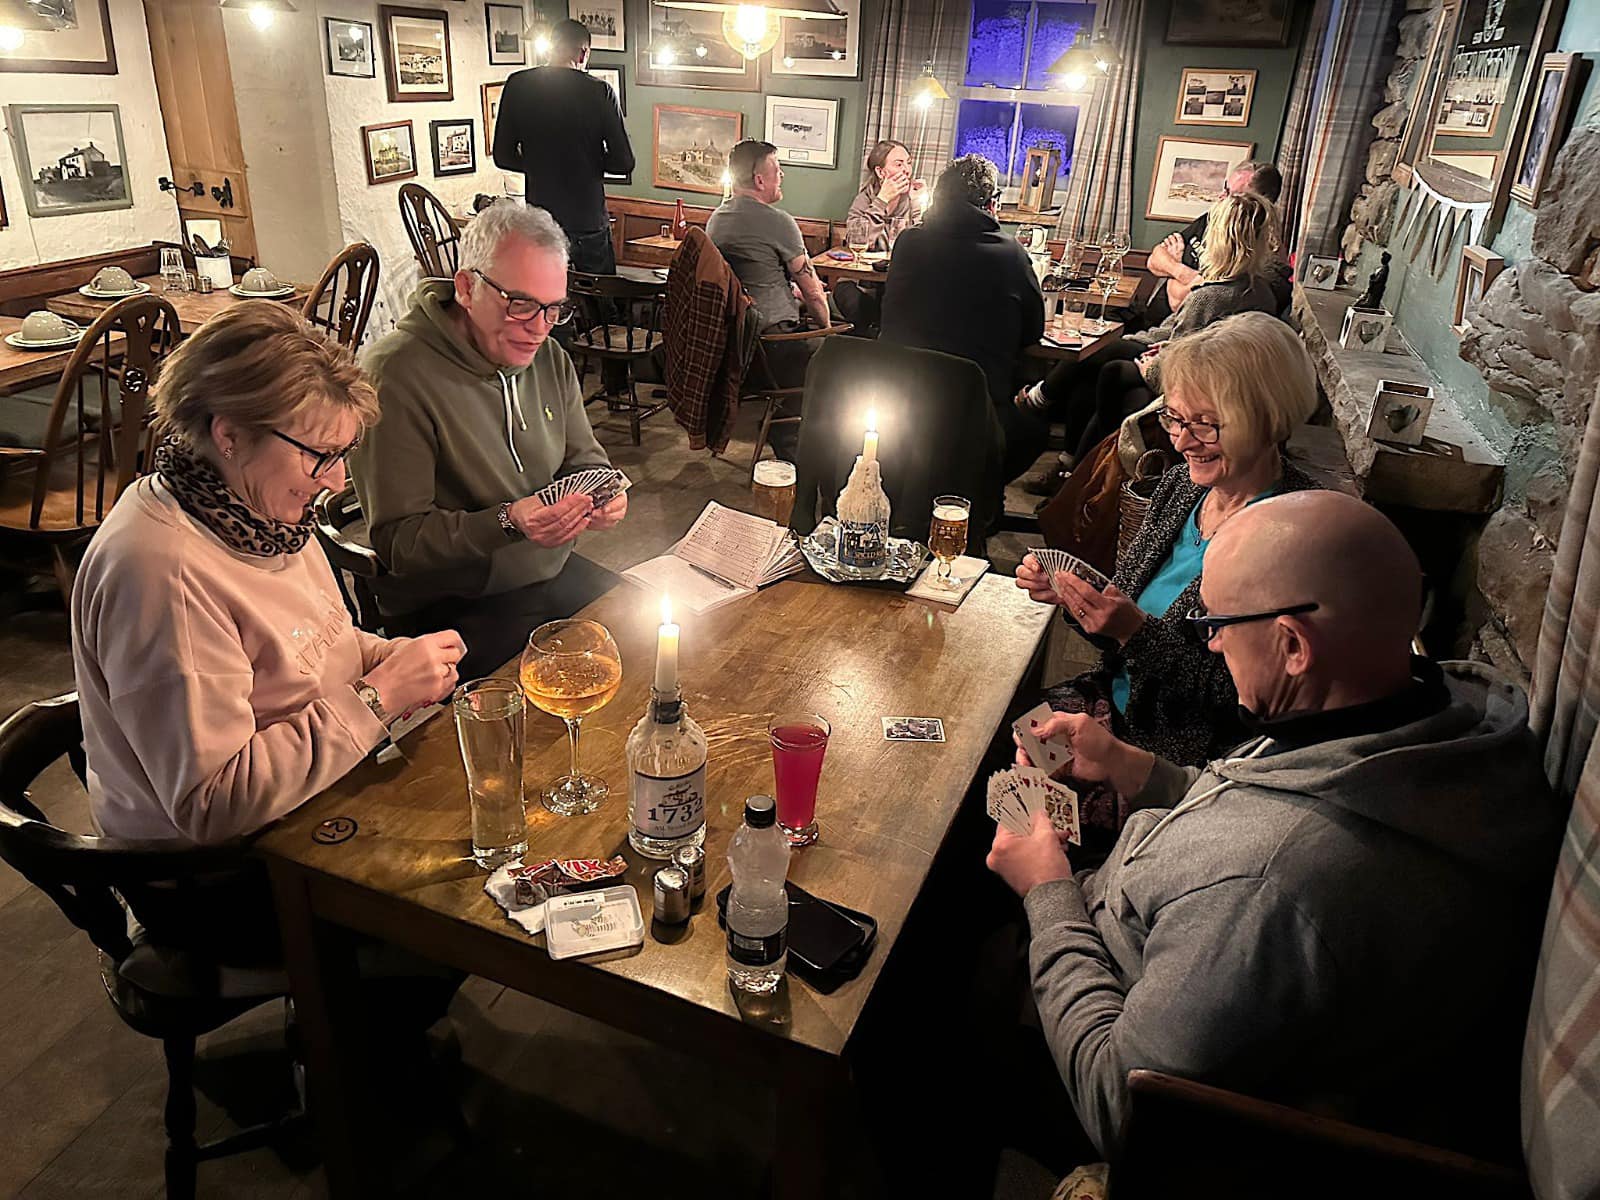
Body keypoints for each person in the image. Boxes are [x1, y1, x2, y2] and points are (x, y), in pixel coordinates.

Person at [990, 490, 1564, 1161]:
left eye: (1216, 620)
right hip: (1155, 926)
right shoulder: (1430, 713)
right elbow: (1262, 797)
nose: (1207, 638)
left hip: (1108, 1037)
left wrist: (1047, 893)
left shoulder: (1272, 885)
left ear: (1293, 644)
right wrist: (1132, 767)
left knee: (929, 1006)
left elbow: (1125, 1104)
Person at [72, 301, 465, 942]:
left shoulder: (257, 511)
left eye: (346, 453)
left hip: (302, 806)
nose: (336, 481)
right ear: (229, 433)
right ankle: (352, 1029)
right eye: (321, 455)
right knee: (450, 901)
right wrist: (378, 696)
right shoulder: (161, 572)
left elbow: (315, 641)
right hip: (210, 876)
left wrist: (386, 658)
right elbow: (212, 804)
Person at [1014, 313, 1319, 836]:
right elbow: (1121, 633)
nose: (1181, 441)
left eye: (1206, 424)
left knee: (1028, 813)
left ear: (1269, 418)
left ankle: (1043, 898)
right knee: (1006, 751)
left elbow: (1246, 706)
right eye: (1176, 419)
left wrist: (1133, 630)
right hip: (1115, 702)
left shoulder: (1292, 534)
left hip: (1181, 758)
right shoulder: (1183, 487)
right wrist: (1077, 600)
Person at [354, 201, 627, 680]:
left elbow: (585, 458)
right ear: (466, 287)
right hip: (452, 602)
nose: (540, 329)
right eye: (520, 304)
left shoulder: (549, 357)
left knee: (647, 640)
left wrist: (604, 496)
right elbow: (399, 543)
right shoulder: (395, 376)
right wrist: (507, 521)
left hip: (546, 571)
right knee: (556, 695)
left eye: (554, 309)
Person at [1018, 190, 1285, 469]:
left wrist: (1153, 367)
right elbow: (1180, 333)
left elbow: (1182, 363)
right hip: (1189, 363)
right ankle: (1074, 465)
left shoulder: (1213, 295)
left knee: (1109, 367)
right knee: (1105, 359)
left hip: (1196, 383)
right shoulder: (1259, 291)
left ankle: (1089, 458)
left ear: (1220, 239)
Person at [880, 154, 1045, 490]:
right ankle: (978, 497)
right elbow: (1034, 332)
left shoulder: (908, 243)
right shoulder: (1012, 255)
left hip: (900, 399)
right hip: (975, 409)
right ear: (992, 204)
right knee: (1037, 425)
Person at [707, 138, 832, 457]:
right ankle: (794, 437)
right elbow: (814, 293)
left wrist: (784, 290)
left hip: (736, 347)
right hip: (776, 348)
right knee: (844, 352)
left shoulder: (717, 219)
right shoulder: (779, 221)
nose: (782, 176)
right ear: (760, 180)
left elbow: (749, 277)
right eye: (778, 169)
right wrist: (827, 332)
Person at [491, 18, 634, 275]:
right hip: (586, 219)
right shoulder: (599, 91)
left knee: (545, 301)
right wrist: (589, 163)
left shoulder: (517, 85)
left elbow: (502, 156)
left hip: (540, 220)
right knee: (599, 305)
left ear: (550, 48)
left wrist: (539, 164)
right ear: (583, 53)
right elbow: (624, 162)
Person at [1141, 160, 1287, 326]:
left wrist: (1173, 267)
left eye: (1234, 196)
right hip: (1150, 323)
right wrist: (1184, 273)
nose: (1221, 197)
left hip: (1175, 336)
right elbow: (1154, 259)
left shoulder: (1258, 254)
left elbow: (1179, 302)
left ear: (1260, 204)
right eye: (1225, 188)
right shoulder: (1212, 218)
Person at [834, 139, 926, 335]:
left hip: (898, 281)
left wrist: (918, 204)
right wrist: (881, 201)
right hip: (860, 282)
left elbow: (923, 242)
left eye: (908, 163)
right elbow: (857, 241)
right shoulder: (865, 199)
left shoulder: (912, 200)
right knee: (848, 297)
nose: (907, 170)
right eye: (899, 164)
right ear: (881, 172)